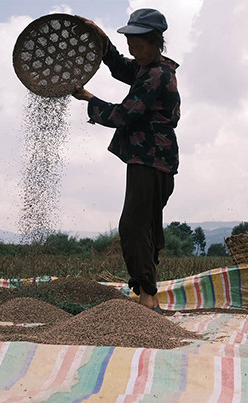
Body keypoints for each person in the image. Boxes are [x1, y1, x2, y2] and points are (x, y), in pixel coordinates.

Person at [72, 9, 180, 314]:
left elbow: (126, 114)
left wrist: (89, 100)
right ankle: (149, 294)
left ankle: (147, 295)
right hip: (153, 158)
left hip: (151, 159)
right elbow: (120, 66)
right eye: (129, 41)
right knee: (145, 225)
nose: (133, 49)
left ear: (155, 42)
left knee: (133, 225)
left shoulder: (157, 74)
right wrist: (103, 41)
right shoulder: (148, 68)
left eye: (138, 43)